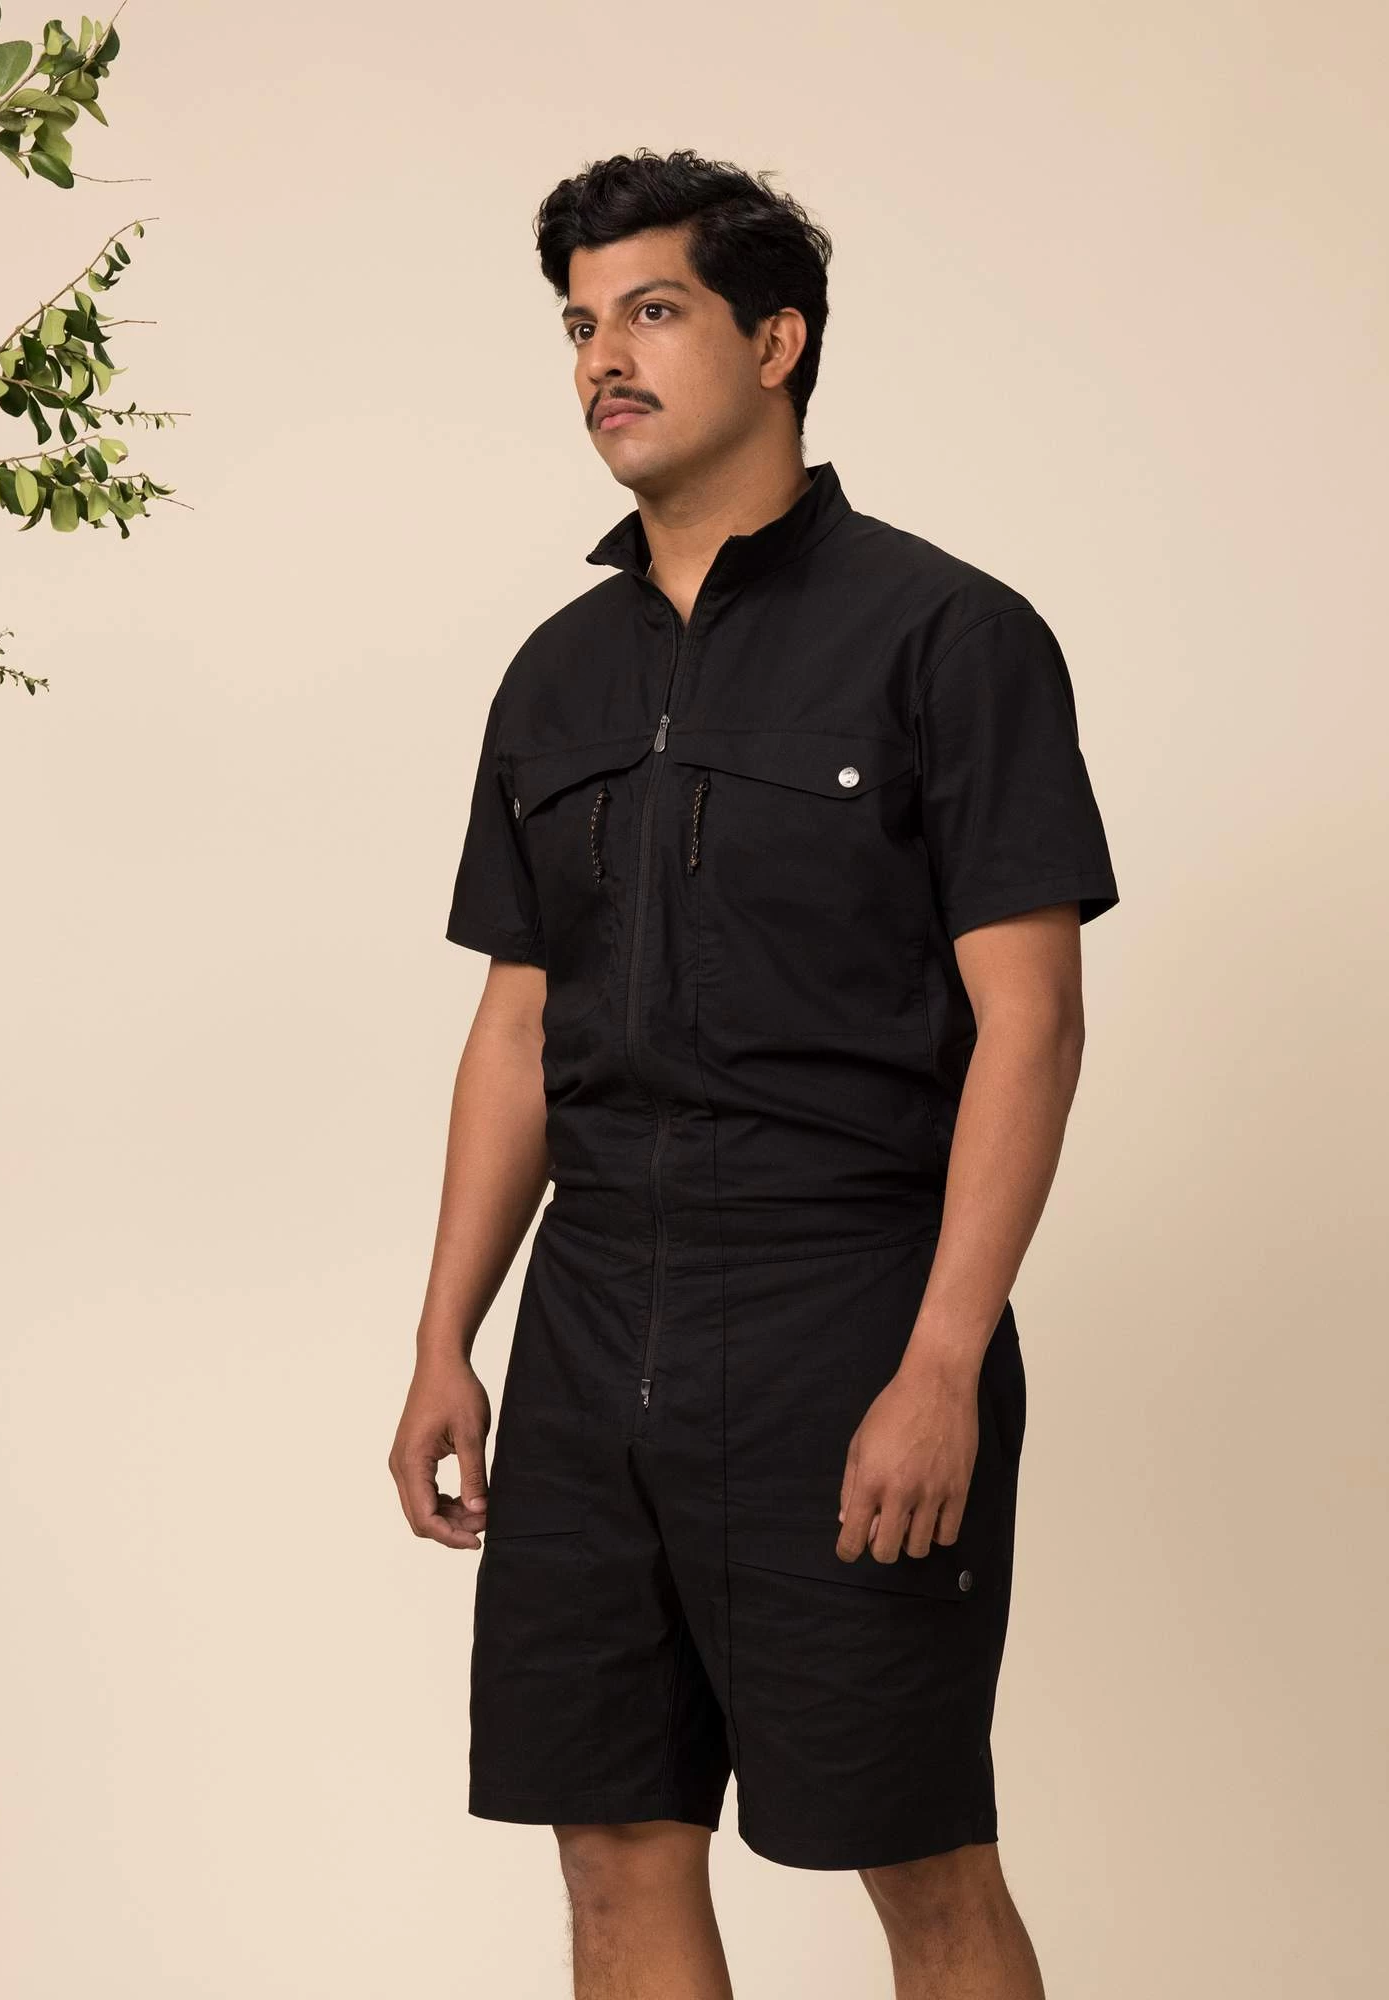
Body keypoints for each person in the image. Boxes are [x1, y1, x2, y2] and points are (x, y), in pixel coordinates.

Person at [389, 147, 1120, 2000]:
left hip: (843, 1313)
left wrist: (941, 1361)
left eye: (652, 312)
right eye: (580, 324)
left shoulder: (949, 635)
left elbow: (1033, 1023)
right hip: (588, 1328)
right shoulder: (554, 677)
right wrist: (445, 1338)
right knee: (612, 1847)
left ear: (777, 341)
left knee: (916, 1857)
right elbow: (517, 1025)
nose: (603, 360)